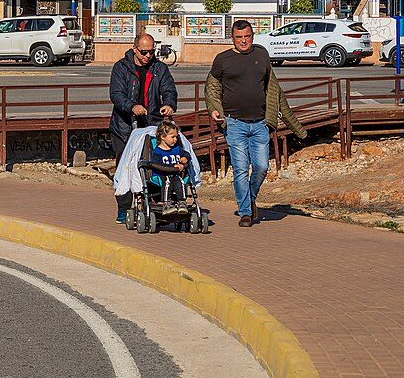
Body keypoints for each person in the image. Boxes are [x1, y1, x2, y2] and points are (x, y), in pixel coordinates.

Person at [203, 18, 307, 227]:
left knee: (260, 168)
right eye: (239, 37)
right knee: (241, 169)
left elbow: (274, 90)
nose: (244, 41)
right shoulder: (222, 60)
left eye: (247, 36)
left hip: (260, 123)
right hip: (234, 124)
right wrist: (214, 110)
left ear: (253, 36)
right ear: (232, 38)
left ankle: (249, 199)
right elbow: (212, 89)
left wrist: (297, 129)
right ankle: (245, 213)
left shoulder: (262, 55)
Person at [108, 32, 179, 223]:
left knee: (155, 164)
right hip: (124, 126)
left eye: (151, 52)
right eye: (144, 52)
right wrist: (132, 106)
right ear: (135, 49)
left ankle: (155, 204)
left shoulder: (159, 68)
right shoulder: (121, 68)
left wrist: (169, 104)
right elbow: (116, 94)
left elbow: (169, 90)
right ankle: (124, 207)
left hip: (152, 124)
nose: (148, 56)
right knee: (125, 166)